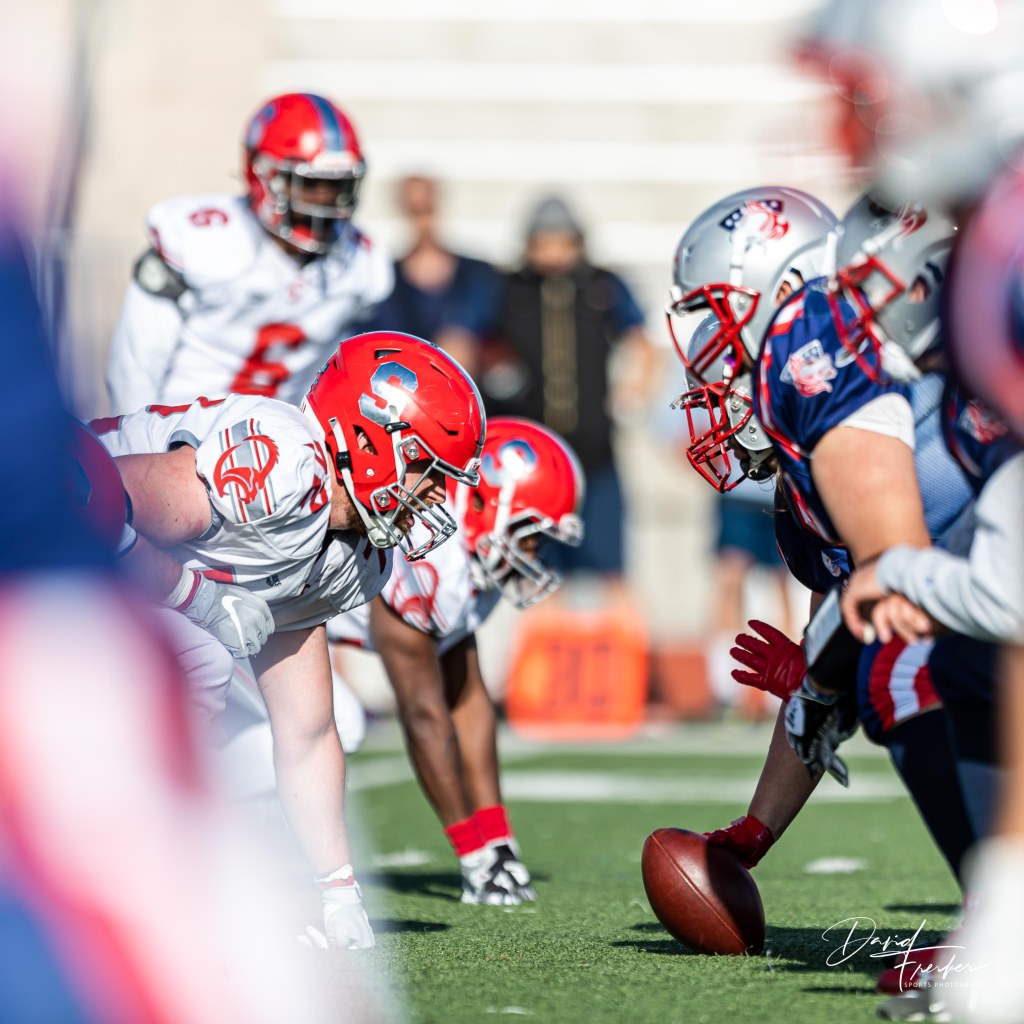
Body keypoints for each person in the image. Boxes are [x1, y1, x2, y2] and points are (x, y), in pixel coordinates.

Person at [92, 330, 486, 949]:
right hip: (34, 518)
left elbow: (307, 733)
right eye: (427, 468)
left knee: (321, 722)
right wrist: (196, 598)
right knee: (202, 656)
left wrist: (339, 893)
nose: (438, 494)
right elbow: (84, 497)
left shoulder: (355, 555)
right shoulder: (281, 466)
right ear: (369, 440)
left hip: (95, 585)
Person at [669, 186, 981, 953]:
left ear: (786, 287)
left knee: (900, 668)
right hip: (986, 577)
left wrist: (826, 672)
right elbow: (834, 663)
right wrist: (758, 829)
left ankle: (1001, 927)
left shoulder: (829, 358)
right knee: (897, 665)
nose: (718, 372)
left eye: (724, 321)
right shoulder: (802, 487)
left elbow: (895, 578)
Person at [328, 417, 584, 904]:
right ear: (485, 503)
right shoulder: (430, 553)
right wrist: (474, 855)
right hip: (235, 631)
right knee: (341, 723)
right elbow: (424, 714)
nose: (532, 552)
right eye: (528, 534)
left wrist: (498, 839)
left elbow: (468, 699)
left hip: (287, 631)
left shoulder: (467, 561)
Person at [106, 92, 393, 411]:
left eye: (336, 185)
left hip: (284, 436)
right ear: (262, 175)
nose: (323, 200)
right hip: (177, 429)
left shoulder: (362, 266)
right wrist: (139, 437)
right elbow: (134, 371)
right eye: (309, 184)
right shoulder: (201, 241)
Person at [480, 195, 655, 581]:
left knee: (611, 567)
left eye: (563, 243)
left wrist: (634, 390)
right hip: (532, 461)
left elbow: (641, 340)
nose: (555, 254)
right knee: (538, 570)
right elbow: (473, 341)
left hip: (595, 452)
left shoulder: (602, 286)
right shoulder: (508, 288)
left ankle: (615, 624)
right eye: (545, 243)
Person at [361, 174, 500, 378]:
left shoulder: (478, 274)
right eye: (415, 211)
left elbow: (500, 337)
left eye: (427, 210)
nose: (423, 221)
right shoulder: (384, 280)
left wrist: (474, 348)